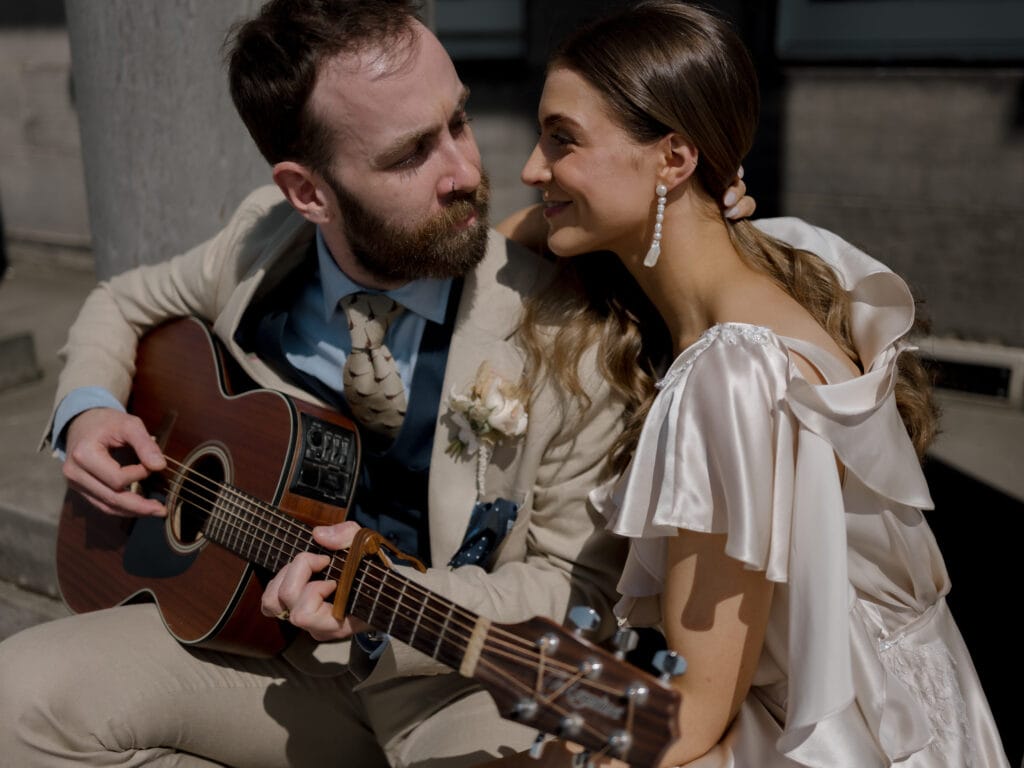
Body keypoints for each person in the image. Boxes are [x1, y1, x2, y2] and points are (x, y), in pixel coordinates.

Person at [0, 1, 756, 766]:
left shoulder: (564, 328)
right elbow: (121, 301)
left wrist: (386, 603)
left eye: (457, 121)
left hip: (462, 684)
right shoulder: (262, 236)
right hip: (260, 652)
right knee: (18, 697)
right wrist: (88, 411)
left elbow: (575, 586)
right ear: (309, 193)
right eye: (410, 155)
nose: (465, 171)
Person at [483, 2, 1010, 767]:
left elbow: (691, 717)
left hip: (838, 736)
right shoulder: (777, 260)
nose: (533, 170)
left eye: (562, 141)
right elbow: (504, 248)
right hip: (925, 708)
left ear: (673, 158)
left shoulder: (729, 377)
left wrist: (500, 673)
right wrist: (564, 213)